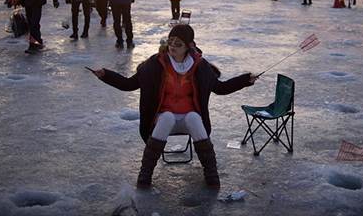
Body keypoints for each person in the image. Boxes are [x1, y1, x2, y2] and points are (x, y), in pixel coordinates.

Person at [90, 24, 257, 189]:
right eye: (170, 42)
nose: (172, 47)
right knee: (167, 117)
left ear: (189, 46)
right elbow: (129, 84)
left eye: (178, 43)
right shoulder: (154, 65)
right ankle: (145, 172)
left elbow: (221, 88)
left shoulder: (200, 66)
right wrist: (106, 75)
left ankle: (211, 172)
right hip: (162, 117)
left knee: (193, 117)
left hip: (188, 117)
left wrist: (245, 80)